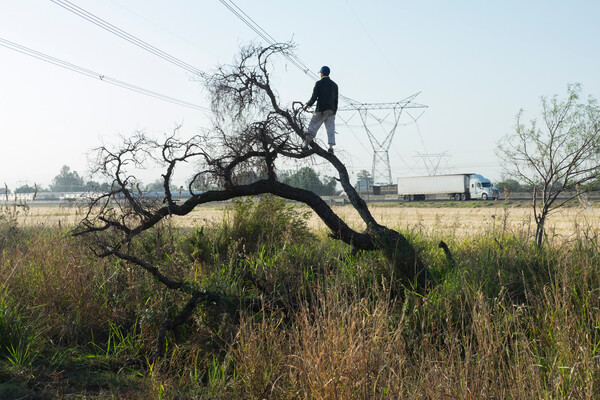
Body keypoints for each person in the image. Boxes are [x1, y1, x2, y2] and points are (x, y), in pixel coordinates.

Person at [303, 66, 338, 154]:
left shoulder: (318, 83)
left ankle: (306, 146)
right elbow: (336, 100)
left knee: (312, 127)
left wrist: (307, 105)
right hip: (331, 110)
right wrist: (334, 112)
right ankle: (330, 148)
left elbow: (314, 97)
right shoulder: (335, 85)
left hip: (321, 110)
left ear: (322, 73)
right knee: (330, 129)